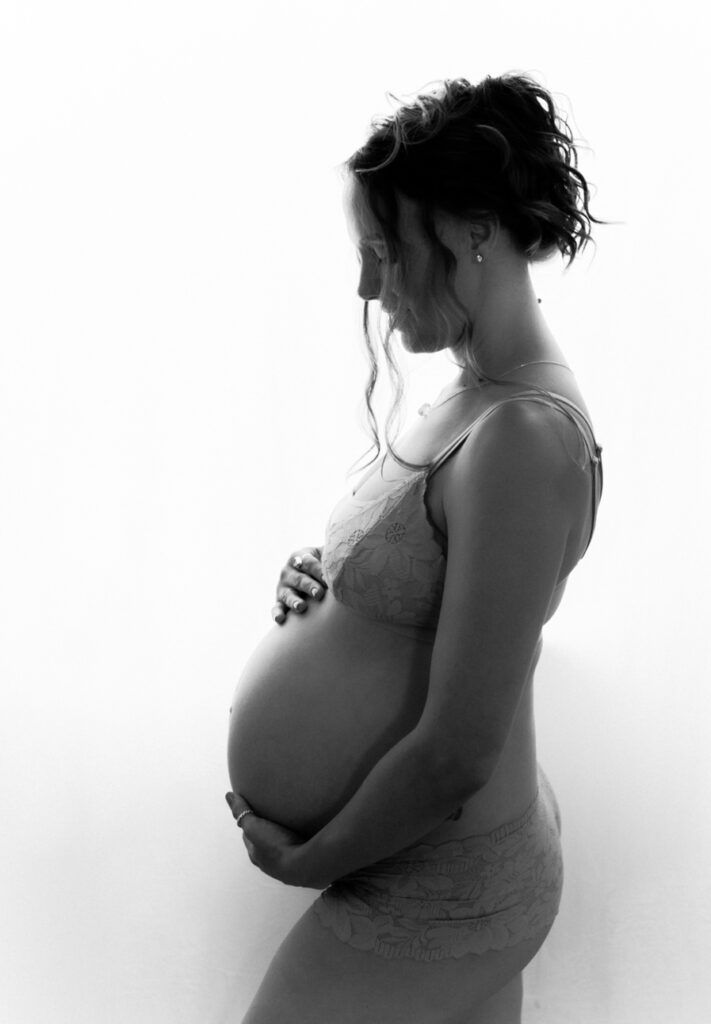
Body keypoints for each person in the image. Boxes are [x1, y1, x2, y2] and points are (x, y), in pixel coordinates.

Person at [225, 72, 605, 1023]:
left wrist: (310, 860)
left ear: (471, 230)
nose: (366, 286)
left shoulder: (524, 434)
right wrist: (337, 588)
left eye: (382, 252)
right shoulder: (474, 390)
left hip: (443, 879)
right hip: (420, 854)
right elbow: (447, 597)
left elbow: (456, 751)